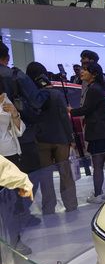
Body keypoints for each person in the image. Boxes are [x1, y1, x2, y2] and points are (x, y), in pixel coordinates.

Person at [25, 62, 78, 214]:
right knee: (65, 173)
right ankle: (71, 205)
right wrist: (71, 138)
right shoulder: (55, 94)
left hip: (40, 139)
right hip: (61, 139)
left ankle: (48, 208)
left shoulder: (30, 95)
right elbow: (64, 117)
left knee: (45, 176)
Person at [67, 62, 105, 203]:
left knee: (98, 164)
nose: (82, 72)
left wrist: (71, 111)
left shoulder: (94, 89)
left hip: (99, 132)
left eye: (85, 70)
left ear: (94, 74)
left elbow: (86, 109)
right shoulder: (98, 87)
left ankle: (97, 195)